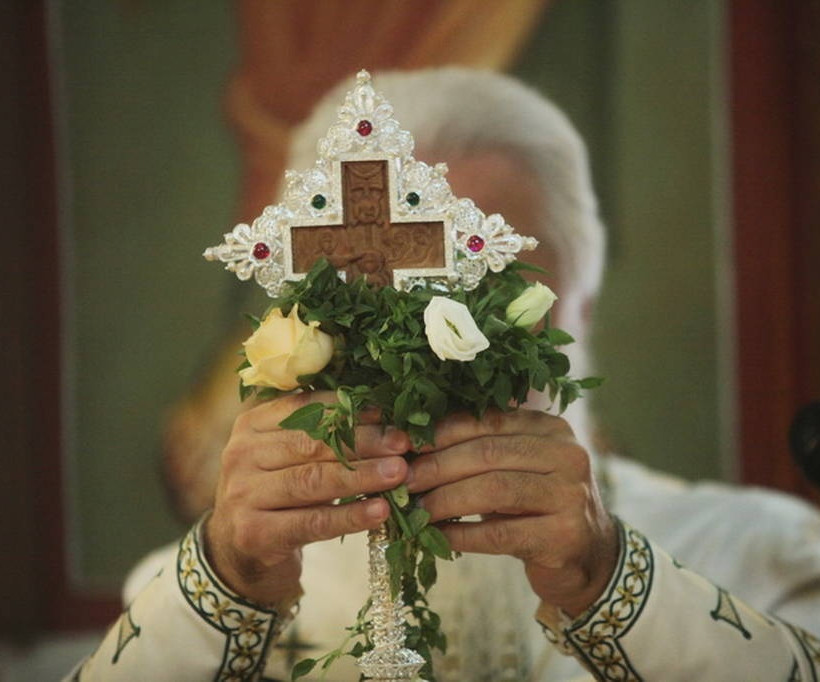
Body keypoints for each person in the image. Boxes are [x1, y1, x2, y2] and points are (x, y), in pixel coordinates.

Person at [67, 68, 820, 681]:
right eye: (373, 308)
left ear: (582, 307)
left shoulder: (760, 555)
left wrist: (609, 584)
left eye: (487, 296)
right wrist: (229, 587)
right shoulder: (197, 596)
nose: (421, 368)